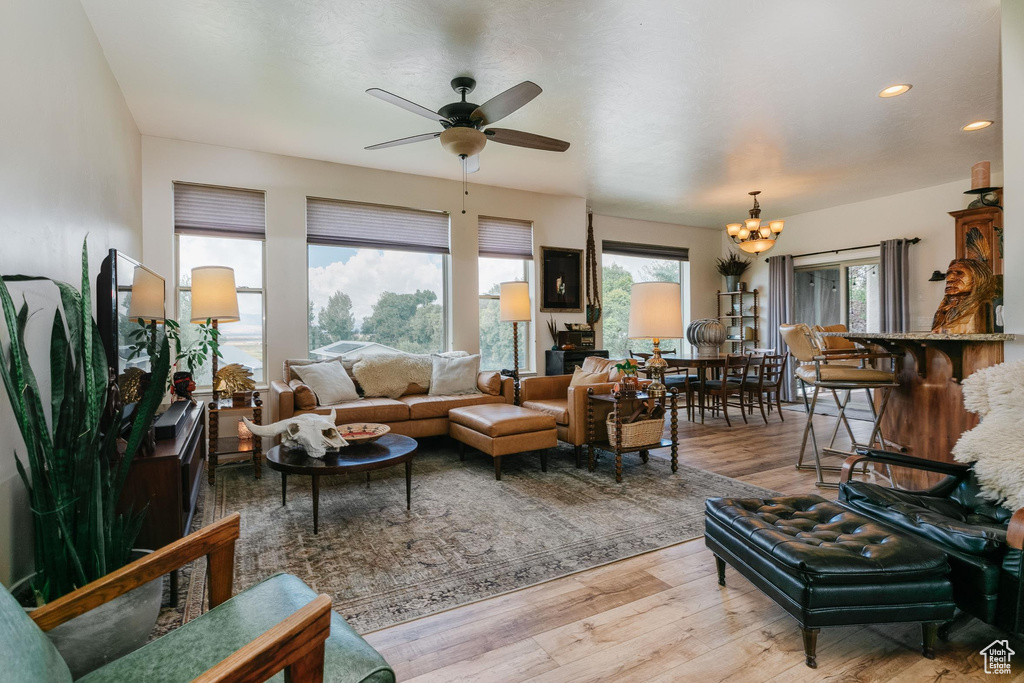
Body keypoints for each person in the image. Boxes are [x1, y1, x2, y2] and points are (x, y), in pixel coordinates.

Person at [931, 258, 996, 333]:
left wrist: (941, 330)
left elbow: (966, 330)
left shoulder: (981, 305)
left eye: (959, 273)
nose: (949, 279)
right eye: (948, 274)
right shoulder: (946, 308)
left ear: (977, 278)